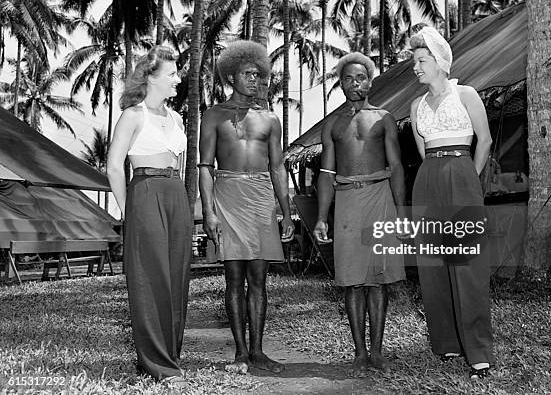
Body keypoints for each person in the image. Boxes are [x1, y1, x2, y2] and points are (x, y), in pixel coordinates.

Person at [198, 40, 295, 375]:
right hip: (227, 194)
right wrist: (208, 212)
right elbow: (205, 167)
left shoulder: (270, 120)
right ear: (231, 76)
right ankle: (240, 353)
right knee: (233, 276)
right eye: (248, 74)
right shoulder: (213, 116)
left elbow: (278, 167)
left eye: (258, 74)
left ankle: (258, 351)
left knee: (259, 278)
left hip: (261, 198)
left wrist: (286, 211)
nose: (255, 80)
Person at [408, 24, 494, 380]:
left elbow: (485, 141)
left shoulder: (467, 95)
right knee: (432, 266)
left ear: (440, 61)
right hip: (428, 179)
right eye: (414, 61)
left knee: (467, 267)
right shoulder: (415, 105)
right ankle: (446, 344)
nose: (416, 67)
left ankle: (478, 353)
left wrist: (469, 180)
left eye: (421, 60)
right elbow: (421, 150)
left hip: (462, 173)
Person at [313, 52, 406, 376]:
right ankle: (359, 352)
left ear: (370, 81)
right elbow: (325, 173)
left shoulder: (384, 118)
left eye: (361, 77)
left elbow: (396, 167)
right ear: (341, 84)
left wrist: (401, 213)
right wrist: (322, 217)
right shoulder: (332, 125)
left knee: (377, 279)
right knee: (352, 281)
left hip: (380, 196)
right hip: (347, 200)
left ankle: (377, 351)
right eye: (349, 78)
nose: (355, 83)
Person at [106, 45, 191, 384]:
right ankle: (160, 366)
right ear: (151, 78)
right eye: (171, 74)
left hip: (176, 194)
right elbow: (114, 167)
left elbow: (180, 163)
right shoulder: (133, 114)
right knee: (150, 281)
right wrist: (131, 213)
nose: (177, 79)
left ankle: (169, 355)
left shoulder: (176, 117)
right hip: (145, 193)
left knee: (176, 279)